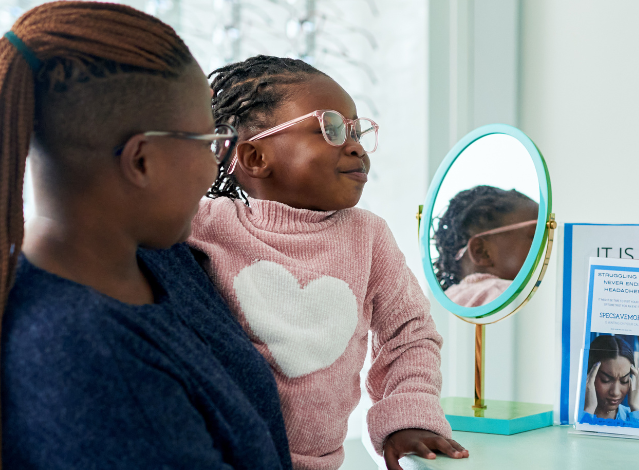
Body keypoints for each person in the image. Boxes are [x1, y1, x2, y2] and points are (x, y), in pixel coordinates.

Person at [0, 3, 290, 469]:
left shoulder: (161, 259)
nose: (214, 169)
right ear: (142, 160)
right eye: (208, 144)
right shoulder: (88, 361)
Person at [189, 55, 468, 470]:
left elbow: (409, 334)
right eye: (331, 128)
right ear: (253, 159)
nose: (355, 145)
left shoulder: (368, 236)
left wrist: (406, 417)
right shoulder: (206, 223)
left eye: (355, 130)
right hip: (222, 455)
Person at [432, 186, 539, 307]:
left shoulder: (446, 300)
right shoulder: (504, 293)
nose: (547, 243)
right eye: (535, 236)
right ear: (482, 252)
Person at [581, 335, 639, 427]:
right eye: (605, 380)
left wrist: (636, 408)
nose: (615, 392)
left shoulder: (635, 416)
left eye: (624, 381)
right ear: (589, 377)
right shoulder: (574, 414)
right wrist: (588, 410)